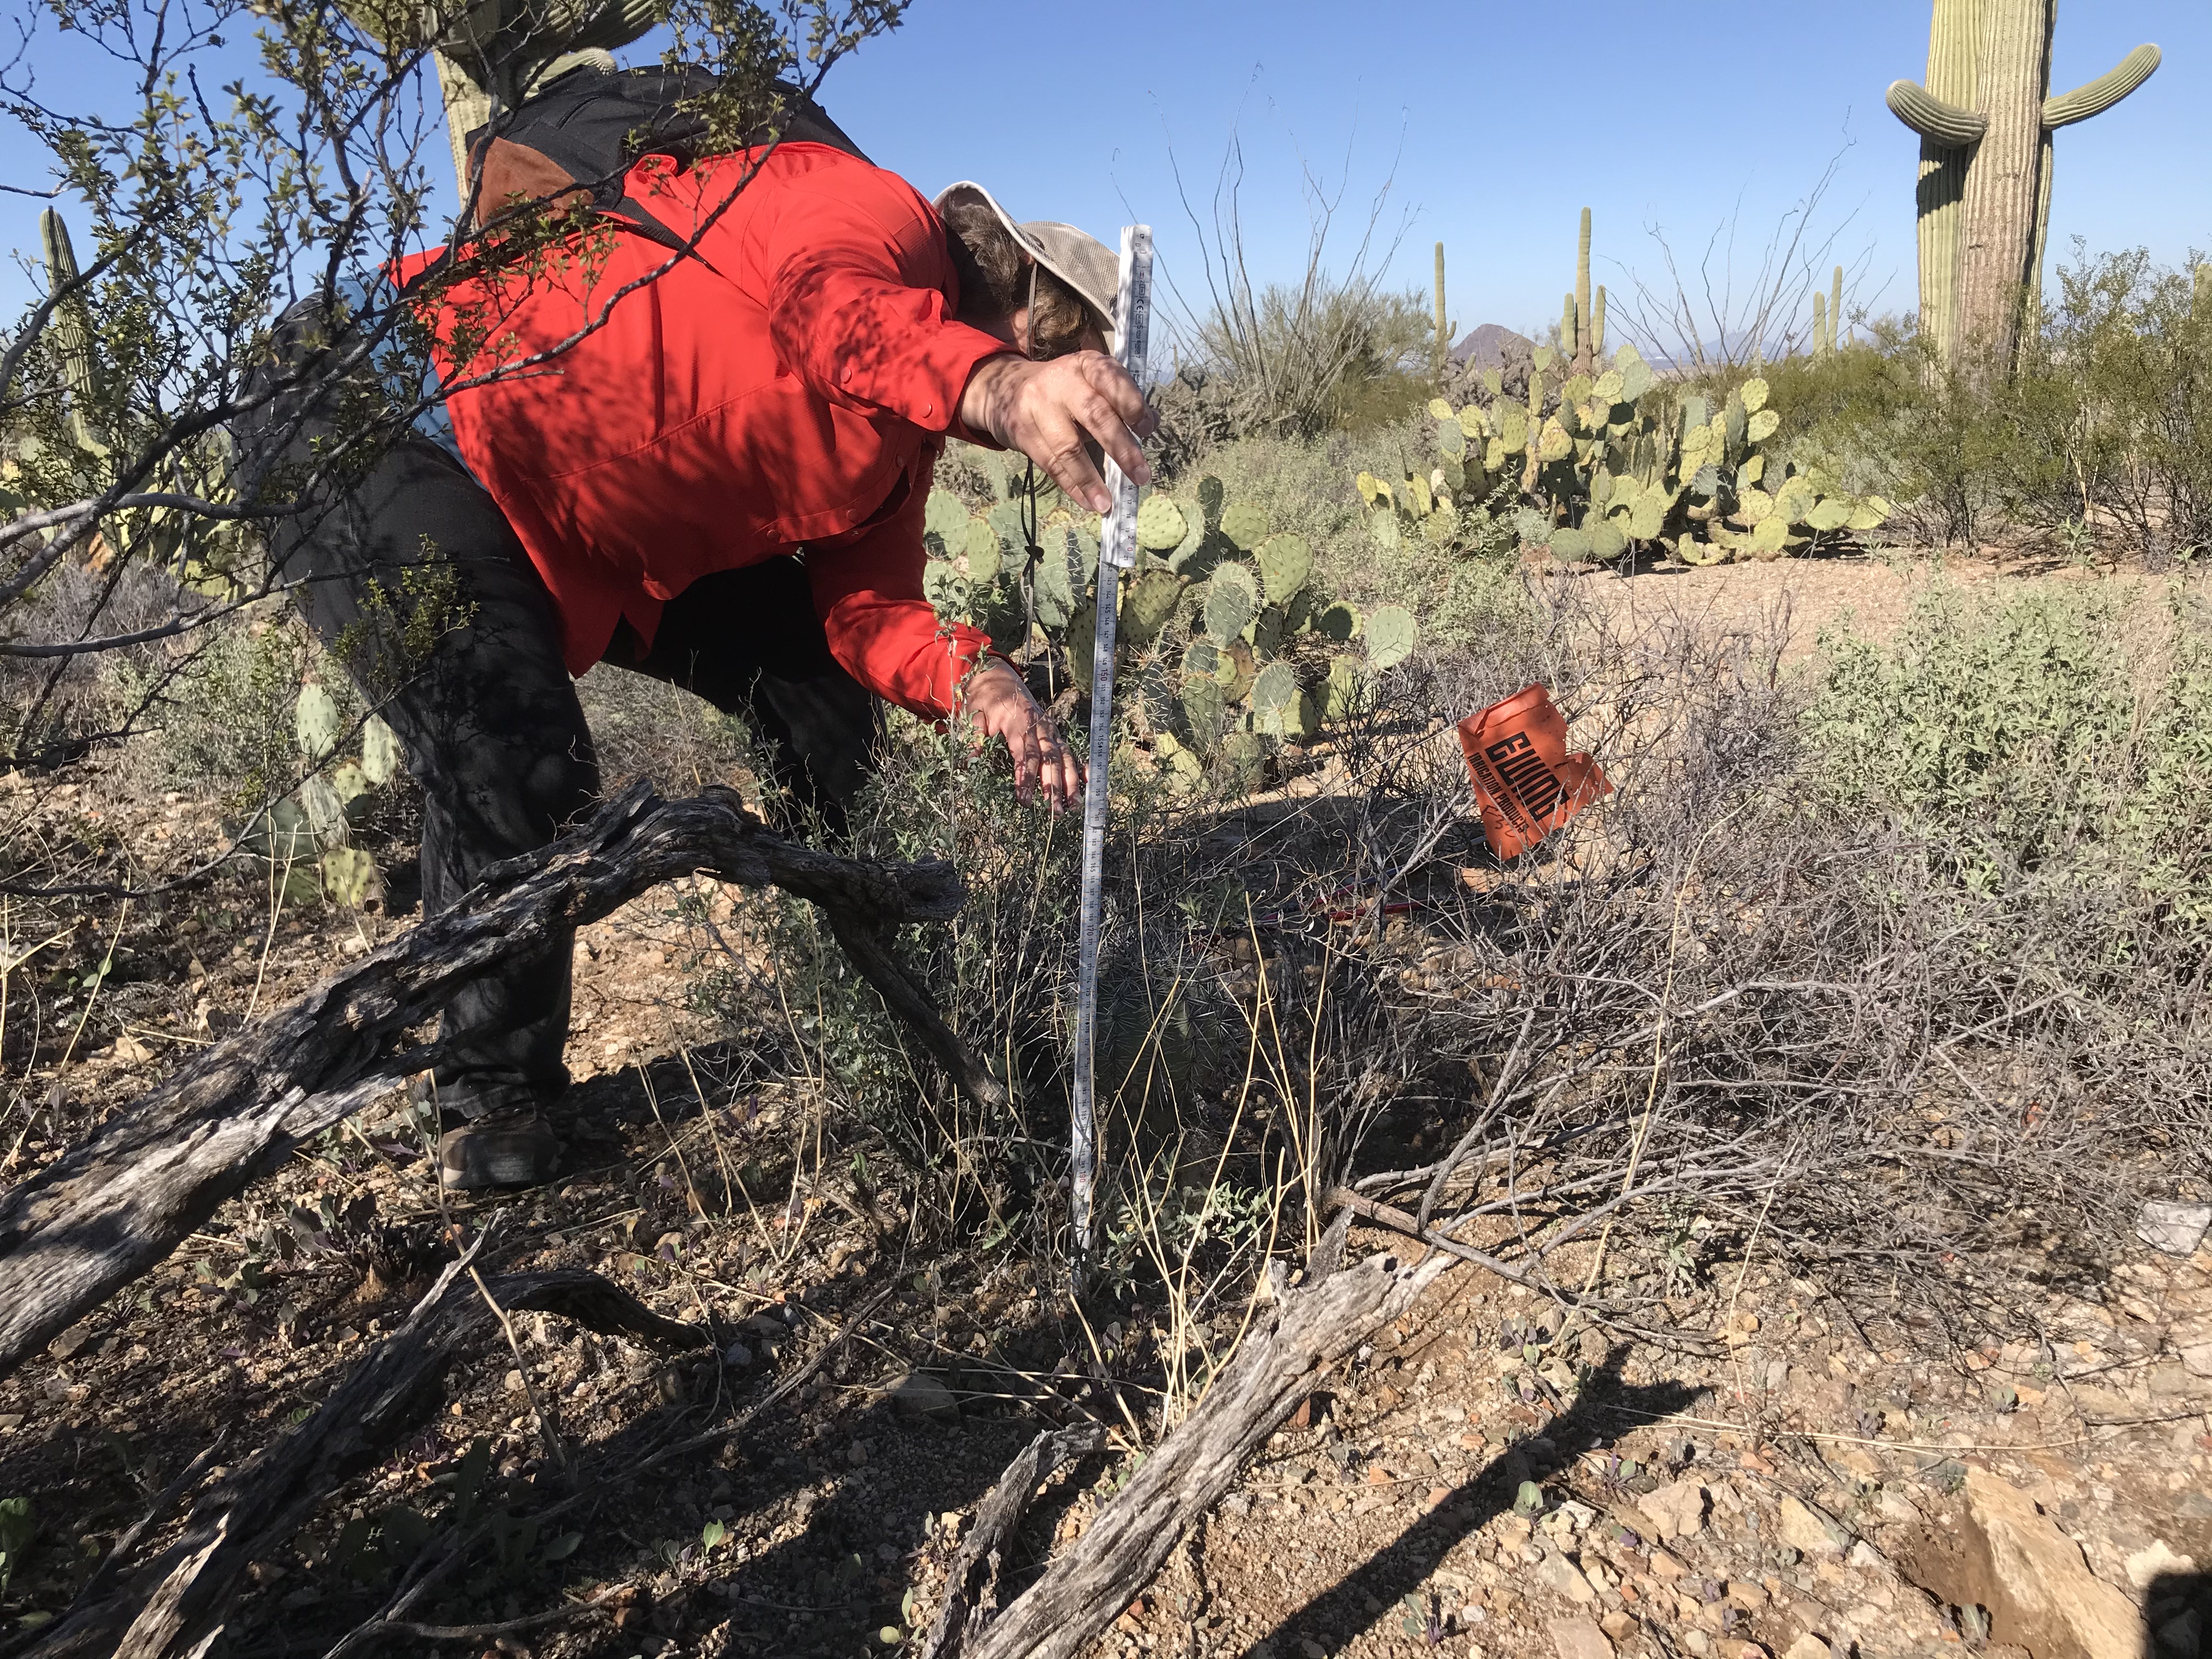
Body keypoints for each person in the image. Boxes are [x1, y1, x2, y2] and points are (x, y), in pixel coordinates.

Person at [250, 103, 1156, 1191]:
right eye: (1077, 380)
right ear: (1029, 318)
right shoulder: (861, 206)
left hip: (571, 516)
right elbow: (837, 318)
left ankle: (861, 977)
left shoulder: (895, 457)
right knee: (512, 750)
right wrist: (1001, 390)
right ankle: (490, 1098)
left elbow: (868, 620)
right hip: (383, 411)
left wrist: (992, 688)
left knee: (818, 681)